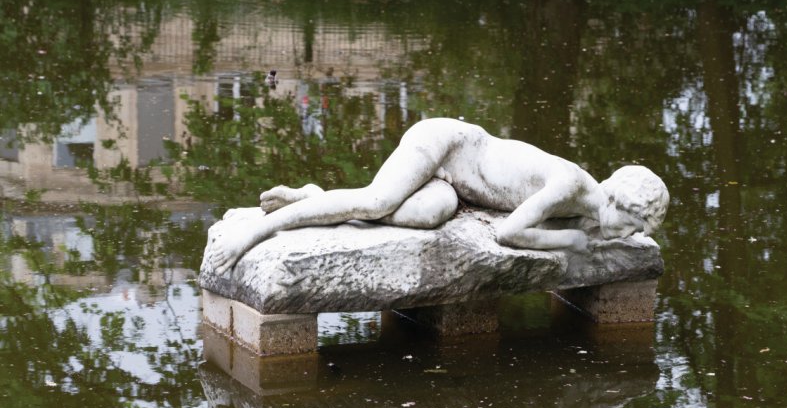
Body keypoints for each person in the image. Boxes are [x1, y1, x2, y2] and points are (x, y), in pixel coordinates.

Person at [206, 117, 668, 275]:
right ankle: (261, 229)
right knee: (375, 204)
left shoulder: (590, 209)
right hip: (448, 143)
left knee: (429, 215)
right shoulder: (570, 185)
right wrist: (572, 243)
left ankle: (316, 197)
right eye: (634, 226)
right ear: (616, 202)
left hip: (459, 190)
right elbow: (509, 233)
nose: (631, 236)